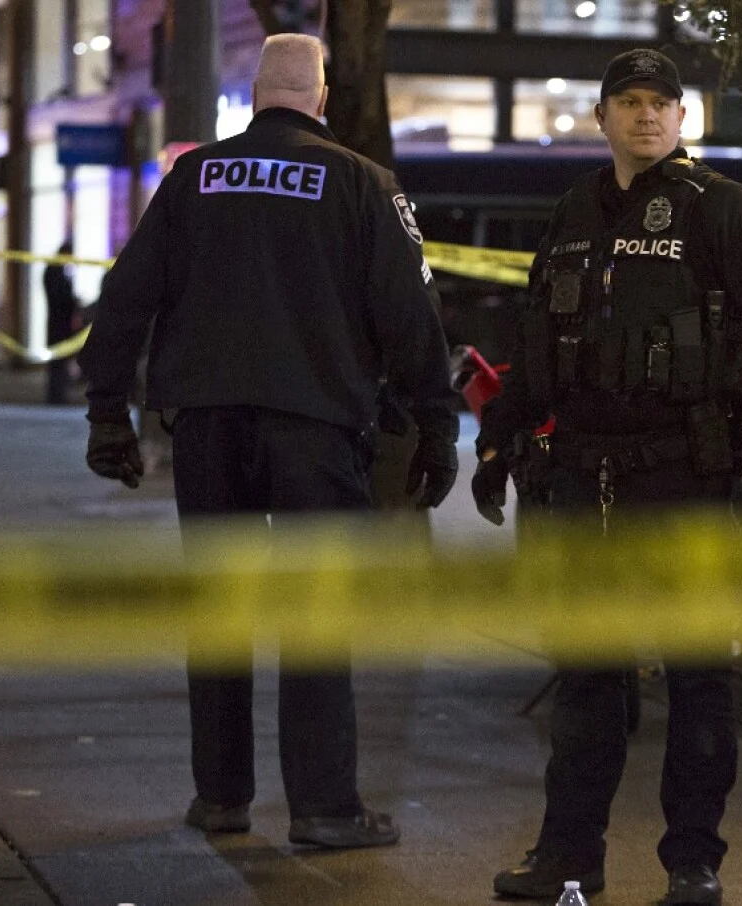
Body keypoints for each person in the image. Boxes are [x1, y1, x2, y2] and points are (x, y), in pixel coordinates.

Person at [78, 34, 460, 849]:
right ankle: (323, 808)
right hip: (316, 428)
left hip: (209, 426)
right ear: (320, 97)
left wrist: (108, 410)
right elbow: (410, 315)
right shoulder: (362, 182)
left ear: (255, 97)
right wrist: (436, 421)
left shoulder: (194, 178)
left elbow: (126, 295)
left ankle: (221, 798)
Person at [472, 47, 742, 905]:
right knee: (586, 675)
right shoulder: (574, 211)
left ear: (681, 117)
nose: (646, 115)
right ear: (602, 118)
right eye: (628, 102)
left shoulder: (719, 209)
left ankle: (693, 863)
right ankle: (568, 857)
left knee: (696, 677)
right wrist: (498, 439)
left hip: (683, 476)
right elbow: (537, 344)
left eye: (660, 102)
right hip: (582, 478)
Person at [44, 241, 80, 404]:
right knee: (57, 361)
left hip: (59, 323)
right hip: (58, 323)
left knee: (59, 361)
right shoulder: (55, 272)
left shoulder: (56, 271)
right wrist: (73, 302)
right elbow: (60, 298)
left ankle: (57, 393)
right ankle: (56, 394)